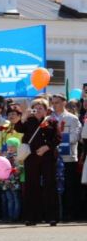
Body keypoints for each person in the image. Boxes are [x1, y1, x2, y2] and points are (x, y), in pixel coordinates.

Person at [14, 97, 61, 226]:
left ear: (46, 110)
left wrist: (47, 147)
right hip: (32, 157)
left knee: (50, 185)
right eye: (35, 108)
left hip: (47, 157)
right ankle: (31, 217)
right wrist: (24, 115)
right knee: (31, 186)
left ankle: (52, 217)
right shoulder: (28, 121)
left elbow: (57, 138)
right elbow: (18, 128)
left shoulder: (52, 121)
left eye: (41, 108)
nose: (38, 110)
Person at [50, 93, 81, 222]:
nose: (54, 105)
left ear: (64, 102)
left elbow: (75, 136)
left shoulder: (72, 119)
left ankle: (69, 214)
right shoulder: (48, 119)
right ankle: (56, 214)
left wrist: (60, 141)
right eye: (53, 102)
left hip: (68, 157)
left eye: (57, 102)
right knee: (54, 186)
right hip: (53, 158)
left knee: (69, 187)